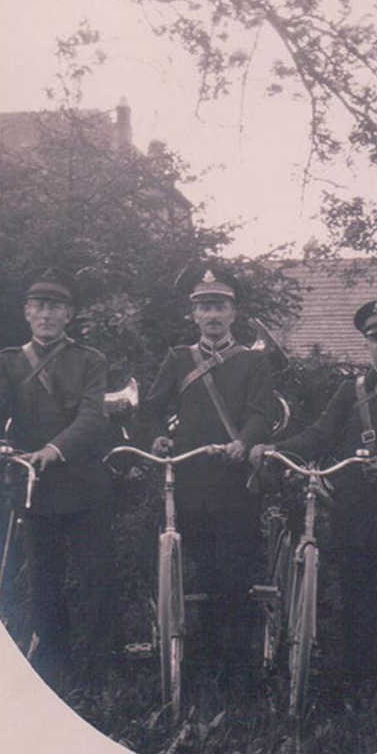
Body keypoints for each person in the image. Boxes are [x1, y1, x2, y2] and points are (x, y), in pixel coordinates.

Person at [250, 297, 377, 695]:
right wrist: (277, 451)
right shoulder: (351, 391)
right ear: (366, 343)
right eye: (375, 337)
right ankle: (358, 694)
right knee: (357, 606)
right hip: (356, 516)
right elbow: (320, 435)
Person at [0, 267, 116, 695]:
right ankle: (53, 669)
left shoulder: (90, 360)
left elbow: (91, 417)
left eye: (56, 307)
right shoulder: (8, 360)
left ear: (69, 315)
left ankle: (99, 672)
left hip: (84, 483)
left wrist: (56, 448)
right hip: (33, 484)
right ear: (27, 313)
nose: (47, 314)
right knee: (43, 580)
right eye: (39, 306)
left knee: (95, 579)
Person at [142, 265, 276, 677]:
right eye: (204, 308)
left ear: (233, 312)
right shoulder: (179, 359)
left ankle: (236, 664)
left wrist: (245, 442)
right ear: (194, 315)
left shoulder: (254, 362)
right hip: (187, 483)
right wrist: (156, 438)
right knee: (190, 570)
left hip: (235, 483)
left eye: (219, 306)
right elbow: (151, 410)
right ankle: (194, 657)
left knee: (233, 573)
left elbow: (261, 413)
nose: (212, 315)